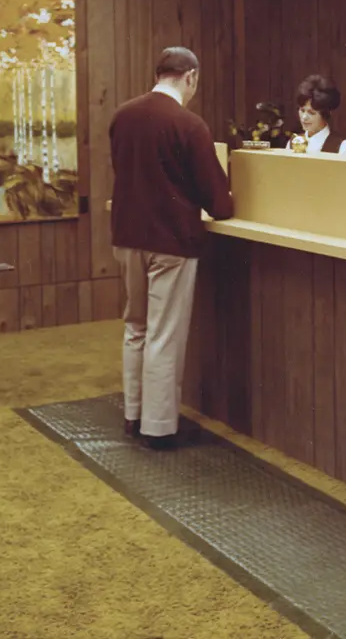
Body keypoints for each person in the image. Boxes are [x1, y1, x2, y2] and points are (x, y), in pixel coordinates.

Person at [109, 47, 233, 450]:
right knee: (164, 334)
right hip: (172, 242)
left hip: (127, 238)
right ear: (191, 77)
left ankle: (132, 414)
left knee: (135, 327)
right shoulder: (189, 124)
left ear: (159, 73)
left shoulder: (122, 116)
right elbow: (217, 200)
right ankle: (158, 427)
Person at [286, 74, 346, 154]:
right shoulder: (292, 142)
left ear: (326, 113)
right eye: (302, 110)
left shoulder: (342, 146)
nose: (304, 117)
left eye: (311, 113)